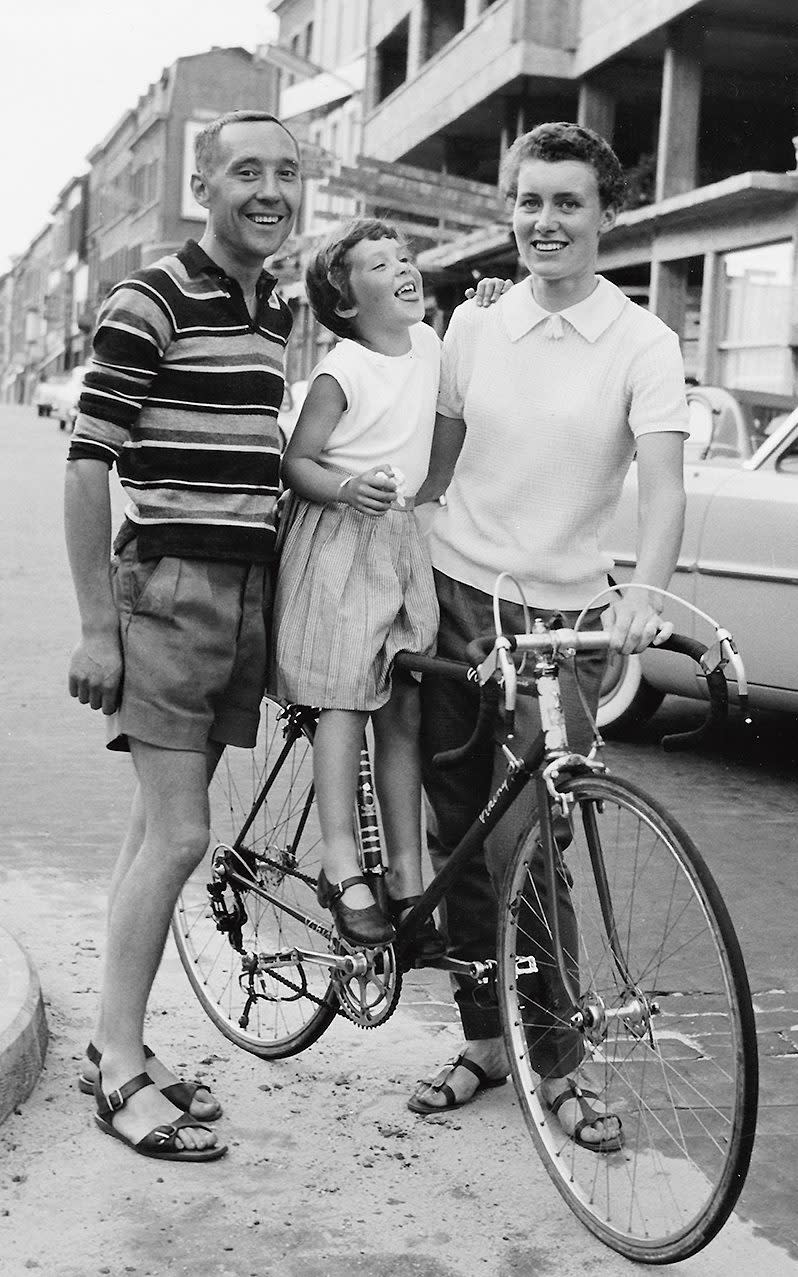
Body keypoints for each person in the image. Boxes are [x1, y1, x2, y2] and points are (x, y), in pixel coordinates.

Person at [409, 122, 688, 1148]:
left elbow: (663, 485)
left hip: (562, 621)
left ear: (607, 214)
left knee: (535, 839)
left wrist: (643, 592)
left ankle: (560, 1058)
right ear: (509, 208)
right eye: (529, 200)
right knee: (459, 833)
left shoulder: (644, 341)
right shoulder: (475, 325)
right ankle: (488, 1039)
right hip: (452, 595)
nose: (544, 220)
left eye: (568, 201)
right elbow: (434, 469)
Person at [64, 109, 302, 1161]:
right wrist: (95, 627)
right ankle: (119, 1067)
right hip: (164, 594)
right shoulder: (151, 295)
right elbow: (86, 461)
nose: (268, 189)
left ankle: (121, 1041)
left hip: (241, 593)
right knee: (181, 834)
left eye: (286, 173)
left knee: (148, 833)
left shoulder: (272, 308)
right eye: (246, 169)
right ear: (202, 182)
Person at [273, 219, 506, 956]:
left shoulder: (434, 343)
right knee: (346, 695)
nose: (403, 266)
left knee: (400, 700)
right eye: (379, 263)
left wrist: (488, 302)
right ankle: (340, 858)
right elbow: (297, 461)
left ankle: (408, 869)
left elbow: (456, 400)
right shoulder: (341, 370)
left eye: (404, 256)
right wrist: (347, 487)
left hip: (402, 537)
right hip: (341, 532)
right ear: (346, 303)